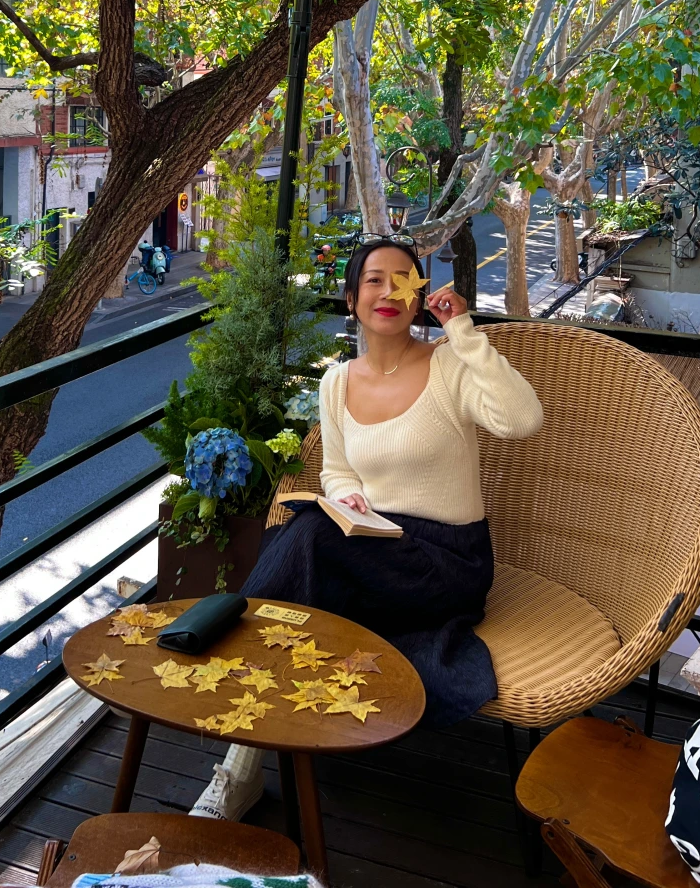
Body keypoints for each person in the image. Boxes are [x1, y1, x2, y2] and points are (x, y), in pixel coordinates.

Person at [189, 233, 544, 822]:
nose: (388, 291)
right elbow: (335, 469)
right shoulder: (336, 382)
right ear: (352, 299)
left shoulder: (448, 365)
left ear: (418, 296)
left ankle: (222, 653)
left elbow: (523, 419)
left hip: (446, 564)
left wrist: (462, 330)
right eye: (374, 280)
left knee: (305, 538)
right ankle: (242, 766)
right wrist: (344, 496)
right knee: (305, 555)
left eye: (402, 279)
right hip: (374, 546)